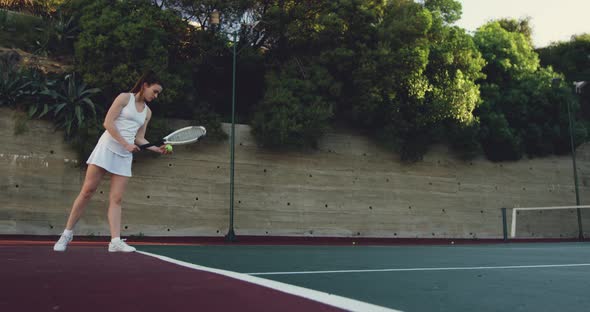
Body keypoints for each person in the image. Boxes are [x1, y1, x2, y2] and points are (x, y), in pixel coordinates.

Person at [53, 70, 170, 252]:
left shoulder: (147, 112)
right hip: (106, 148)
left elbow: (140, 138)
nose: (155, 96)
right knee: (87, 191)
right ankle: (66, 234)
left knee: (117, 198)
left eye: (157, 93)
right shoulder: (124, 98)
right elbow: (108, 123)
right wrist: (125, 144)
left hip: (124, 156)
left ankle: (115, 241)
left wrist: (156, 149)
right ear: (145, 85)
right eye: (154, 91)